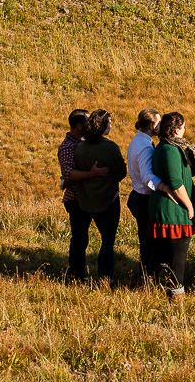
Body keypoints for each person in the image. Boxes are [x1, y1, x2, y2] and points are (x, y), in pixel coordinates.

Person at [72, 109, 127, 285]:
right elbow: (121, 172)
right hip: (108, 200)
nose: (111, 125)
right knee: (107, 242)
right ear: (103, 126)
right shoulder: (110, 148)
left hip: (85, 200)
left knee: (81, 239)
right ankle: (105, 278)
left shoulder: (80, 148)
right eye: (109, 123)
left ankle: (77, 276)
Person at [57, 109, 110, 283]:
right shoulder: (67, 146)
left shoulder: (87, 142)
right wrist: (92, 173)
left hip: (93, 198)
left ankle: (101, 276)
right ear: (79, 126)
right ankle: (76, 277)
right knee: (80, 240)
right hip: (76, 199)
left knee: (104, 237)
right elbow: (69, 174)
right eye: (87, 122)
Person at [150, 111, 195, 299]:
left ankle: (155, 287)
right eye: (183, 126)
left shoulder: (175, 147)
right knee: (176, 255)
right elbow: (176, 183)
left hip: (175, 208)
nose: (185, 129)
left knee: (166, 254)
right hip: (173, 210)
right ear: (177, 129)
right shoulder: (169, 149)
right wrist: (190, 206)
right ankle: (176, 294)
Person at [126, 108, 163, 279]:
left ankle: (145, 275)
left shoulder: (138, 141)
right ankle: (149, 276)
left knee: (145, 240)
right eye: (159, 123)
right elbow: (147, 177)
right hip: (144, 198)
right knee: (151, 242)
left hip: (137, 194)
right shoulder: (145, 147)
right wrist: (164, 188)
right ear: (151, 125)